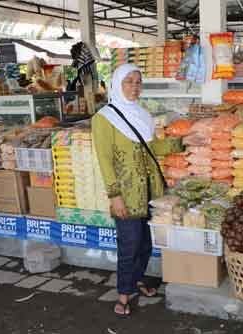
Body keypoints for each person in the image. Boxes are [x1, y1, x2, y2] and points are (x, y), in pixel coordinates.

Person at [92, 64, 165, 316]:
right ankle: (123, 294)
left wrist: (183, 141)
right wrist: (115, 197)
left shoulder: (143, 115)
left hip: (150, 191)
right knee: (129, 245)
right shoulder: (104, 118)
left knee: (145, 243)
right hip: (127, 194)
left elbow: (154, 149)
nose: (135, 87)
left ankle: (137, 279)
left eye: (138, 82)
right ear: (117, 84)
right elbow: (105, 161)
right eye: (129, 81)